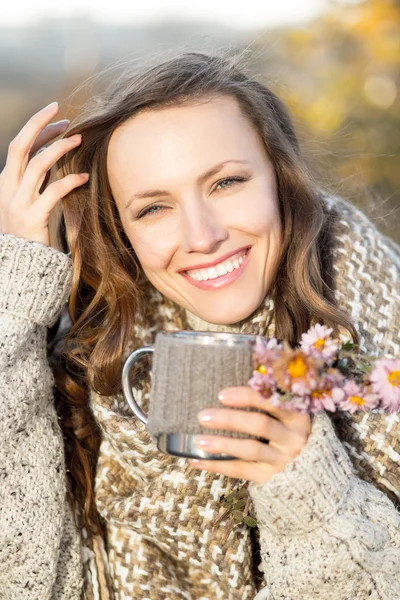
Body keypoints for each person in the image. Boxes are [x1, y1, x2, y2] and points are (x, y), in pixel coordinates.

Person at [0, 51, 399, 600]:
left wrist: (311, 501)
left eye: (226, 182)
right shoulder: (93, 368)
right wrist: (15, 304)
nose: (202, 235)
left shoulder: (384, 348)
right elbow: (27, 579)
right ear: (125, 236)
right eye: (153, 209)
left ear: (282, 182)